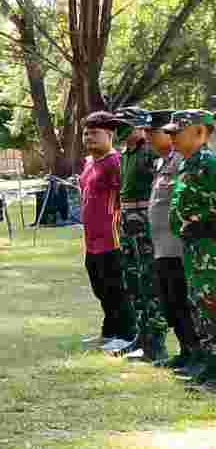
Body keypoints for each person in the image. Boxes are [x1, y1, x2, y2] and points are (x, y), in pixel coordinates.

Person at [77, 111, 135, 352]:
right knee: (99, 287)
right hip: (91, 239)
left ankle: (126, 334)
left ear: (110, 135)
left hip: (112, 239)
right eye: (86, 133)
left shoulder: (116, 163)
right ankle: (109, 331)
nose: (88, 138)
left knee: (115, 288)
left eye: (95, 134)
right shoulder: (89, 163)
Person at [150, 116, 204, 375]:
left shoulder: (198, 161)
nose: (171, 137)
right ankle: (186, 352)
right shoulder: (167, 162)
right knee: (171, 302)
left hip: (182, 248)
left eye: (176, 132)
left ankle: (199, 356)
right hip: (163, 247)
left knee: (187, 303)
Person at [170, 110, 216, 385]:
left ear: (200, 132)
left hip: (210, 251)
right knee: (201, 308)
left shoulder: (209, 164)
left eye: (178, 131)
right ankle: (210, 365)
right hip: (194, 250)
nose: (172, 136)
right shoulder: (187, 163)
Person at [118, 112, 167, 362]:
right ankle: (142, 335)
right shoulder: (125, 154)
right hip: (128, 220)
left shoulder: (149, 152)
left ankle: (156, 342)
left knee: (150, 280)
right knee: (133, 279)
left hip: (145, 220)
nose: (120, 130)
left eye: (127, 124)